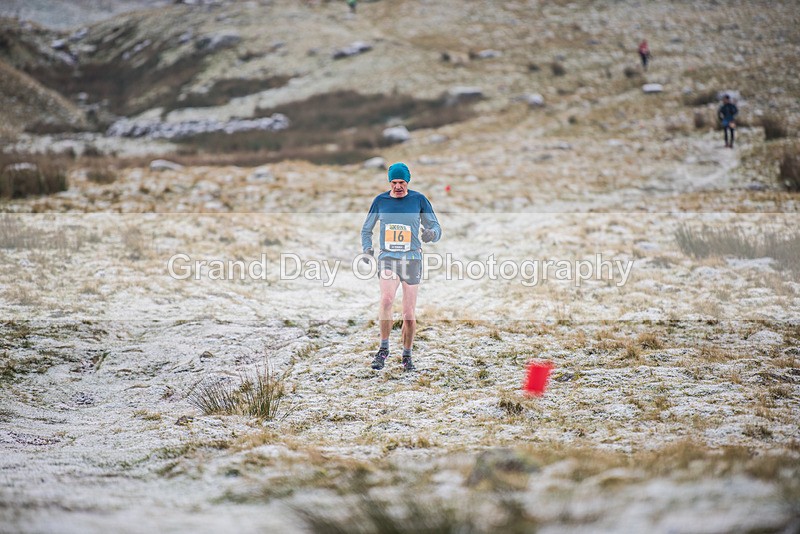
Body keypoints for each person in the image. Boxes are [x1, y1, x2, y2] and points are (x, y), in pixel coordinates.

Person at [360, 162, 441, 372]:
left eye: (402, 182)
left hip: (412, 260)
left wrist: (431, 234)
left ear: (408, 182)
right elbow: (366, 229)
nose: (398, 186)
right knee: (386, 300)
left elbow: (436, 227)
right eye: (394, 182)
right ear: (389, 182)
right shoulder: (380, 201)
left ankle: (407, 355)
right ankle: (383, 349)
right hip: (388, 258)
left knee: (408, 314)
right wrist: (367, 249)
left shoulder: (418, 200)